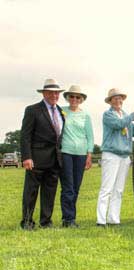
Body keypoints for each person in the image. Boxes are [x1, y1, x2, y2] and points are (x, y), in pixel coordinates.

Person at [96, 88, 134, 226]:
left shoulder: (125, 116)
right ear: (110, 101)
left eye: (120, 98)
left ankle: (114, 219)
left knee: (118, 190)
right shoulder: (108, 115)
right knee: (106, 189)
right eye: (115, 98)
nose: (118, 100)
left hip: (125, 157)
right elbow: (119, 124)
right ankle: (101, 220)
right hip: (111, 155)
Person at [20, 78, 65, 230]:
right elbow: (25, 135)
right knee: (31, 191)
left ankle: (46, 222)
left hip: (55, 159)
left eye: (57, 93)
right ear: (44, 93)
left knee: (49, 192)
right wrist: (26, 157)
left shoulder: (61, 111)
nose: (54, 95)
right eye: (51, 93)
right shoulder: (32, 110)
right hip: (36, 158)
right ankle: (27, 222)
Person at [60, 85, 94, 228]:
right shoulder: (61, 111)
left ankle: (70, 217)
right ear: (68, 98)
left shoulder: (86, 115)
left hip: (81, 154)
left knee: (76, 187)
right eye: (71, 96)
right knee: (68, 187)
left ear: (81, 100)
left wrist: (89, 155)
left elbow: (90, 137)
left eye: (77, 97)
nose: (74, 99)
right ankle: (68, 219)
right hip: (66, 152)